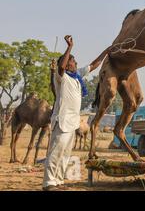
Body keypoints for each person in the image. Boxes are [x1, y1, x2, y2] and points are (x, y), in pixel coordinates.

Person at [42, 35, 111, 191]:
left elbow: (94, 65)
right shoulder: (61, 77)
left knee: (65, 155)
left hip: (73, 122)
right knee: (55, 153)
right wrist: (69, 47)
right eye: (73, 61)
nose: (76, 63)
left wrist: (106, 51)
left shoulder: (77, 76)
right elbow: (60, 66)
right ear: (67, 65)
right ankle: (48, 183)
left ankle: (58, 181)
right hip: (62, 121)